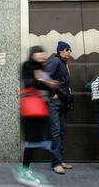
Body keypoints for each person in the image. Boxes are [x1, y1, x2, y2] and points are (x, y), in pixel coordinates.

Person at [13, 46, 58, 187]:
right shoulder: (27, 65)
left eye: (43, 52)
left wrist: (51, 87)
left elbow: (47, 86)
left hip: (40, 108)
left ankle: (25, 170)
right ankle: (24, 170)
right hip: (30, 108)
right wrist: (42, 80)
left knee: (41, 138)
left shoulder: (42, 68)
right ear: (33, 54)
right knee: (31, 141)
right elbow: (28, 82)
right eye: (39, 52)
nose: (42, 54)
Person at [45, 41, 73, 174]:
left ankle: (60, 160)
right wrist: (53, 94)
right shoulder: (55, 61)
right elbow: (44, 77)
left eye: (70, 50)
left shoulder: (64, 63)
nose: (69, 51)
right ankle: (55, 163)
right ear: (60, 50)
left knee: (62, 131)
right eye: (66, 49)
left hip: (63, 101)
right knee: (56, 131)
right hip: (55, 102)